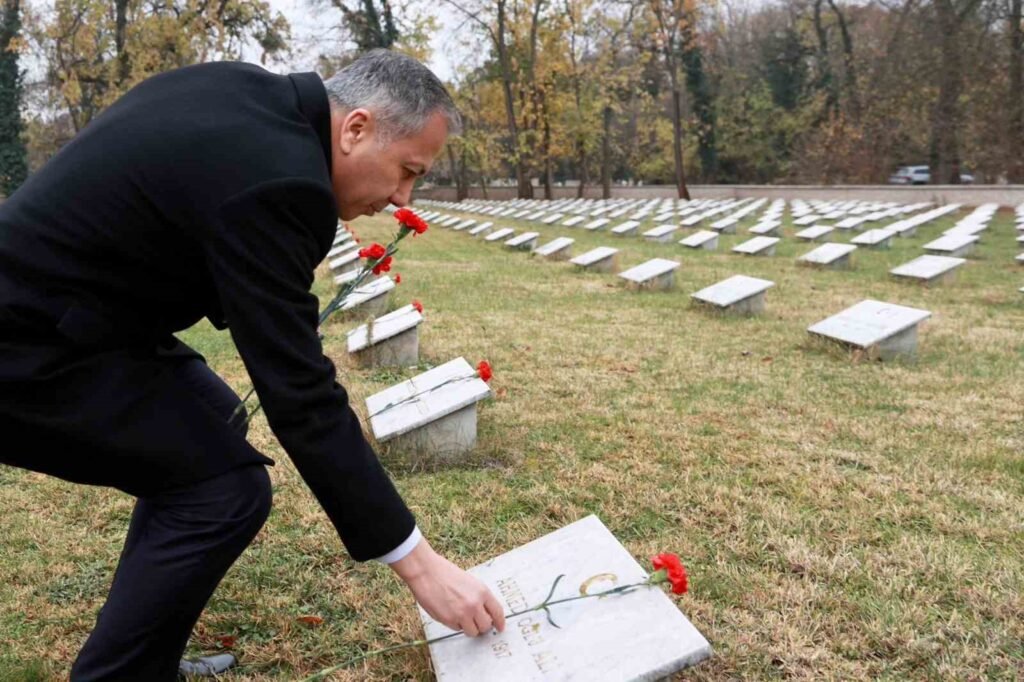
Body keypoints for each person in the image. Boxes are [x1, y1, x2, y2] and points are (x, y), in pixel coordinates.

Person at [0, 49, 505, 680]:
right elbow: (300, 393)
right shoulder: (282, 180)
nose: (402, 196)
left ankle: (147, 655)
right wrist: (419, 564)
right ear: (355, 129)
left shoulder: (241, 88)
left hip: (84, 314)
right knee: (223, 490)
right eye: (407, 170)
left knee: (214, 416)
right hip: (29, 346)